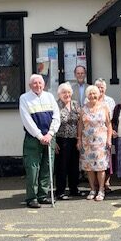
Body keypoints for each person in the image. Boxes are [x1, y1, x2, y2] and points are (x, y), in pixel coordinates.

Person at [19, 74, 61, 208]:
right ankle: (32, 197)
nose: (38, 85)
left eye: (40, 83)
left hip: (49, 137)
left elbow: (56, 116)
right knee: (32, 168)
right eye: (35, 83)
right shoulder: (25, 98)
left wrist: (50, 134)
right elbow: (27, 120)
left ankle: (43, 195)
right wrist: (39, 136)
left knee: (47, 167)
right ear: (30, 85)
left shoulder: (49, 96)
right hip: (33, 139)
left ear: (44, 84)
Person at [77, 85, 112, 201]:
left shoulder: (104, 107)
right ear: (87, 96)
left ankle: (101, 190)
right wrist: (79, 139)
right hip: (87, 142)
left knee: (100, 167)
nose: (92, 96)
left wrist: (109, 139)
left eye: (94, 93)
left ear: (98, 94)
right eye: (90, 94)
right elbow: (80, 125)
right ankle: (92, 189)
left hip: (100, 142)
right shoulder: (83, 108)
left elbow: (109, 124)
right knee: (89, 167)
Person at [54, 82, 81, 200]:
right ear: (59, 94)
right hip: (61, 139)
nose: (67, 94)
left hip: (74, 139)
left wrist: (79, 138)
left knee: (74, 165)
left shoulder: (75, 104)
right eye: (64, 92)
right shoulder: (55, 105)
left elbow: (80, 121)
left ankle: (74, 189)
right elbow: (52, 124)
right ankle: (60, 191)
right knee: (62, 166)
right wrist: (53, 141)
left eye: (69, 92)